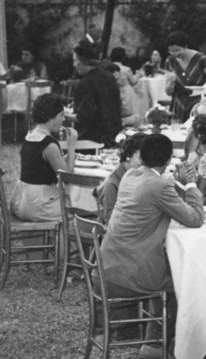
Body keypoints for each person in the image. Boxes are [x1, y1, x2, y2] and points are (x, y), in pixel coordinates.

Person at [99, 134, 203, 359]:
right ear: (167, 161)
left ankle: (154, 338)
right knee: (183, 279)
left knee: (166, 266)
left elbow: (160, 201)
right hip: (131, 272)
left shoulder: (129, 175)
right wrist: (192, 183)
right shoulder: (159, 184)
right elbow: (195, 219)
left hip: (108, 264)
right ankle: (159, 343)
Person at [10, 94, 77, 222]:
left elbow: (41, 164)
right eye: (61, 115)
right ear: (51, 118)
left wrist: (67, 157)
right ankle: (67, 241)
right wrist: (72, 146)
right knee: (78, 209)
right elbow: (68, 177)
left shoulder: (30, 135)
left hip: (22, 200)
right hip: (38, 205)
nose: (63, 120)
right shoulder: (49, 144)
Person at [72, 39, 122, 145]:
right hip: (112, 135)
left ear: (83, 61)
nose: (74, 65)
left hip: (91, 140)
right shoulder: (109, 76)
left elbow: (84, 117)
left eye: (75, 61)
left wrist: (64, 115)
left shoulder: (84, 83)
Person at [164, 31, 206, 121]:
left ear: (185, 46)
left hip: (198, 103)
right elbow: (168, 92)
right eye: (171, 51)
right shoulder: (170, 61)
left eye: (177, 50)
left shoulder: (201, 59)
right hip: (178, 105)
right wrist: (170, 84)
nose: (175, 54)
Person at [95, 133, 147, 224]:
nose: (145, 163)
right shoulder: (113, 183)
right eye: (141, 157)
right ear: (129, 154)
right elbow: (110, 220)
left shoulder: (136, 175)